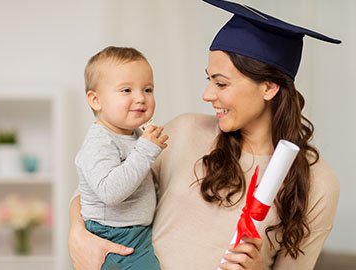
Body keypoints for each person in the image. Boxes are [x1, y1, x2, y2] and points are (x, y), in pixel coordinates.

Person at [68, 1, 341, 269]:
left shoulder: (316, 181)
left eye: (221, 83)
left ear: (268, 88)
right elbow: (98, 189)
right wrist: (77, 234)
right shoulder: (183, 133)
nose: (207, 95)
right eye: (208, 79)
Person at [75, 46, 168, 270]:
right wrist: (146, 150)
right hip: (113, 235)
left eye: (147, 89)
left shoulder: (133, 135)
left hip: (136, 232)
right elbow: (110, 192)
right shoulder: (100, 141)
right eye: (126, 90)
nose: (140, 98)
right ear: (96, 100)